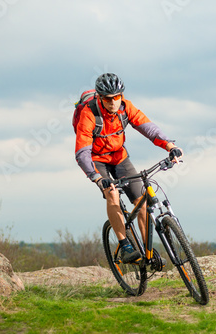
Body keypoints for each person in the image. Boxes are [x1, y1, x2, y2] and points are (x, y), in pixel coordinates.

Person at [75, 73, 183, 263]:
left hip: (119, 157)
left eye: (117, 97)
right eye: (109, 99)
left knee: (142, 200)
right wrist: (97, 177)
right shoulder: (89, 114)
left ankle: (148, 254)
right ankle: (124, 244)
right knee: (112, 194)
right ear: (100, 97)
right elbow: (82, 152)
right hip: (97, 160)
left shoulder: (126, 107)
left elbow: (147, 127)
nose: (113, 102)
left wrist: (169, 146)